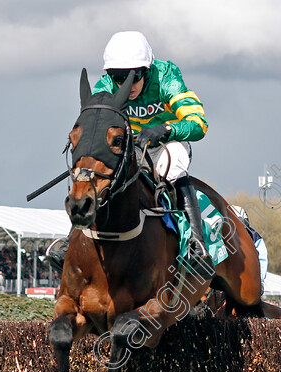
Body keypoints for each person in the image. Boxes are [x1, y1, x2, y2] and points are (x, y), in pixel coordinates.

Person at [50, 31, 213, 277]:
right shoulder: (104, 87)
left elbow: (199, 124)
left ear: (146, 70)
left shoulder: (166, 76)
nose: (127, 85)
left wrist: (166, 129)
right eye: (118, 77)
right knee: (100, 177)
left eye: (133, 77)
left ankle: (197, 245)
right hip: (129, 148)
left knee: (176, 163)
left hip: (167, 144)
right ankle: (72, 240)